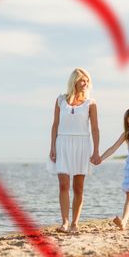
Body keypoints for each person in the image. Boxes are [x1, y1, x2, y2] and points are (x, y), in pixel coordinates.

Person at [48, 68, 101, 233]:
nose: (85, 84)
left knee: (78, 187)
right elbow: (55, 124)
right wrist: (52, 146)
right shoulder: (60, 100)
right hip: (62, 142)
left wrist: (96, 151)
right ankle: (64, 222)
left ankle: (75, 223)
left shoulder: (90, 103)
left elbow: (95, 129)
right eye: (82, 80)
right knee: (63, 184)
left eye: (87, 80)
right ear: (74, 82)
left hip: (82, 144)